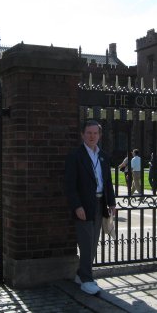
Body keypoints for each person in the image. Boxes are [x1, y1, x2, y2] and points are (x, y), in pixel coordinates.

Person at [65, 120, 116, 295]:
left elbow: (107, 181)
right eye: (89, 133)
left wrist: (112, 202)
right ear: (82, 135)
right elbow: (70, 185)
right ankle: (87, 280)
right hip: (84, 205)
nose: (92, 136)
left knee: (93, 243)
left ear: (100, 135)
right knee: (86, 244)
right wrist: (77, 206)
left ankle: (81, 274)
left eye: (95, 133)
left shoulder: (103, 156)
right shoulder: (75, 156)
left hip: (100, 203)